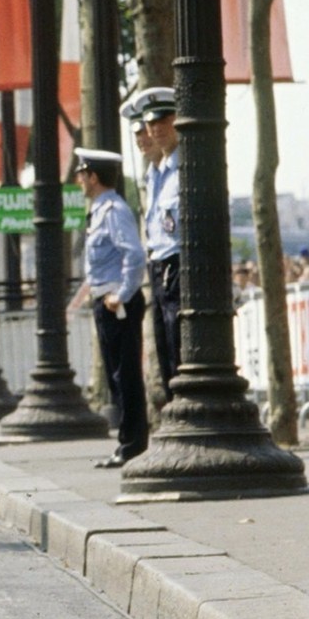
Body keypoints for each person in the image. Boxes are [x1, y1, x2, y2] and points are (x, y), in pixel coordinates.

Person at [70, 148, 148, 468]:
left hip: (117, 301)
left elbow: (134, 254)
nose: (78, 181)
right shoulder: (101, 210)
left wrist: (123, 293)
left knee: (125, 374)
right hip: (106, 299)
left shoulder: (113, 210)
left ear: (93, 176)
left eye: (82, 175)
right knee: (117, 375)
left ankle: (133, 445)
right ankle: (127, 443)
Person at [136, 86, 181, 398]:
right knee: (164, 339)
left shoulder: (184, 167)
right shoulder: (157, 174)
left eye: (164, 120)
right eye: (152, 124)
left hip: (179, 263)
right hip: (159, 264)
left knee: (178, 337)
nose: (156, 129)